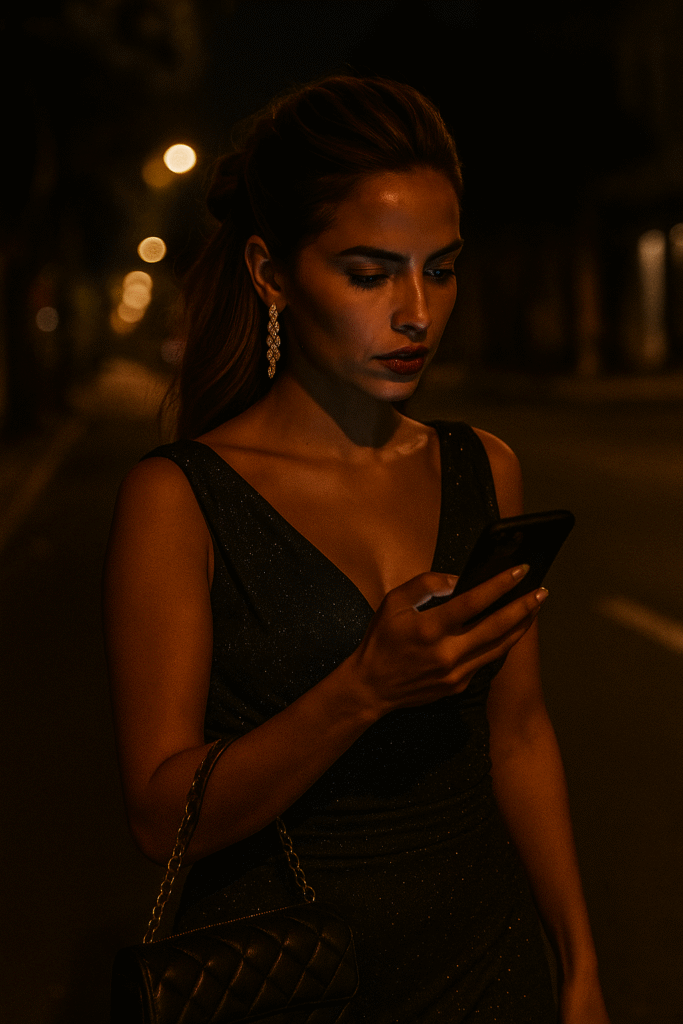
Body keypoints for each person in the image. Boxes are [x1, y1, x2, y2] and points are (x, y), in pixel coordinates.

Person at [104, 76, 611, 1023]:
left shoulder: (480, 468)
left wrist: (577, 966)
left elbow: (521, 734)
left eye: (442, 268)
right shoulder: (180, 498)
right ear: (271, 272)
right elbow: (156, 813)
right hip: (294, 976)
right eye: (371, 274)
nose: (416, 312)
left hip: (488, 965)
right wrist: (365, 685)